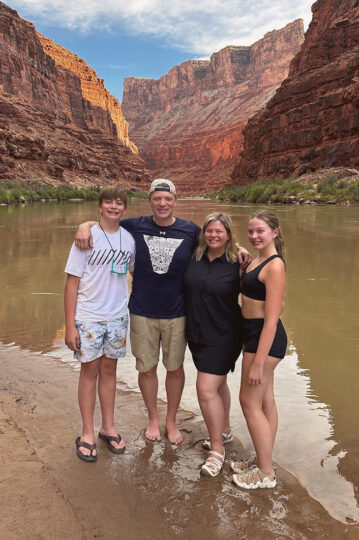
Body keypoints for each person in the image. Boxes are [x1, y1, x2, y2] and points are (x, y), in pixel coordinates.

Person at [74, 179, 250, 445]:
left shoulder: (190, 230)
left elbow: (217, 240)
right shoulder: (135, 226)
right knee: (147, 369)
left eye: (168, 199)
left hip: (178, 313)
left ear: (175, 200)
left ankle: (171, 421)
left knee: (175, 369)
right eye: (157, 198)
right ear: (150, 200)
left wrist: (239, 249)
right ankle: (153, 419)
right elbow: (107, 223)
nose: (163, 203)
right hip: (141, 311)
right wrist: (83, 225)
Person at [64, 186, 135, 462]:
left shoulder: (129, 240)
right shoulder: (85, 238)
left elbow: (137, 273)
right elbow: (72, 283)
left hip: (117, 317)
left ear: (125, 209)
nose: (114, 207)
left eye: (119, 203)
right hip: (88, 317)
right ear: (100, 207)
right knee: (89, 372)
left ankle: (108, 427)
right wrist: (70, 326)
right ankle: (87, 433)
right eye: (109, 202)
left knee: (109, 371)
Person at [231, 210, 287, 489]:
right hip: (253, 335)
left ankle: (266, 474)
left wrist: (257, 362)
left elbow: (272, 319)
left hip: (264, 339)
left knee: (248, 401)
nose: (254, 236)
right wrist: (240, 248)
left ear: (274, 232)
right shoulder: (257, 259)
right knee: (265, 401)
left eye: (260, 231)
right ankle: (263, 459)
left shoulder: (274, 266)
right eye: (250, 231)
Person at [183, 213, 243, 477]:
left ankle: (217, 449)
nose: (214, 235)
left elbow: (257, 297)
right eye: (210, 231)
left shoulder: (238, 264)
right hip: (196, 333)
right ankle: (226, 430)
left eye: (220, 231)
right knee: (218, 385)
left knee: (205, 389)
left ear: (229, 234)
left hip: (224, 334)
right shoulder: (193, 256)